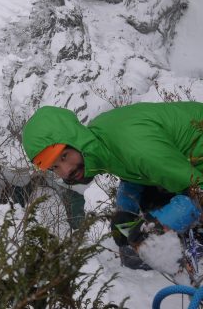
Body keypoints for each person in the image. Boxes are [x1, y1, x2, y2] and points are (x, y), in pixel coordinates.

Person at [22, 102, 203, 265]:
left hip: (195, 172)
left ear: (76, 140)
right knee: (134, 253)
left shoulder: (136, 146)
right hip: (185, 169)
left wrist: (157, 225)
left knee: (158, 244)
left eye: (64, 156)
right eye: (55, 167)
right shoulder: (100, 139)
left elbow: (199, 191)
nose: (65, 171)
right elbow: (133, 172)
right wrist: (126, 210)